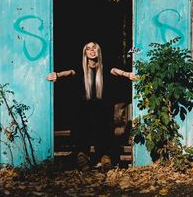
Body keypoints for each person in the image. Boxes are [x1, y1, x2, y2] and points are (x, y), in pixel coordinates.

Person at [46, 41, 137, 171]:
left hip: (102, 107)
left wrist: (128, 75)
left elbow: (116, 71)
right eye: (88, 49)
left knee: (104, 129)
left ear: (98, 51)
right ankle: (82, 158)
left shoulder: (104, 66)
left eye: (94, 48)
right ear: (85, 53)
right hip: (84, 108)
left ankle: (105, 157)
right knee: (81, 128)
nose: (91, 51)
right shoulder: (81, 67)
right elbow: (70, 72)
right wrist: (57, 75)